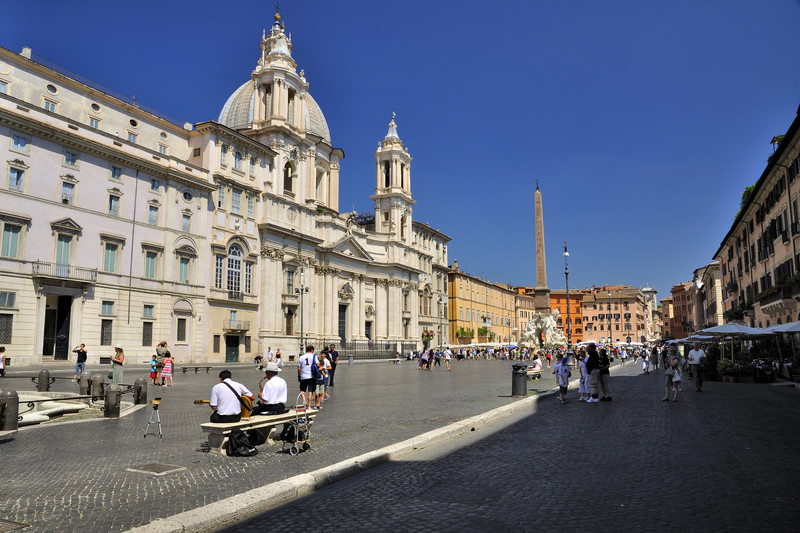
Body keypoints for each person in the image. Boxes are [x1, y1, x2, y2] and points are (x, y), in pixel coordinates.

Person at [297, 345, 317, 410]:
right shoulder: (314, 356)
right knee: (310, 391)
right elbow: (318, 364)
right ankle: (309, 406)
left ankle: (303, 400)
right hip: (311, 376)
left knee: (302, 390)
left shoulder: (301, 357)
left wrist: (299, 376)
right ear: (312, 350)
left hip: (303, 376)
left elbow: (299, 368)